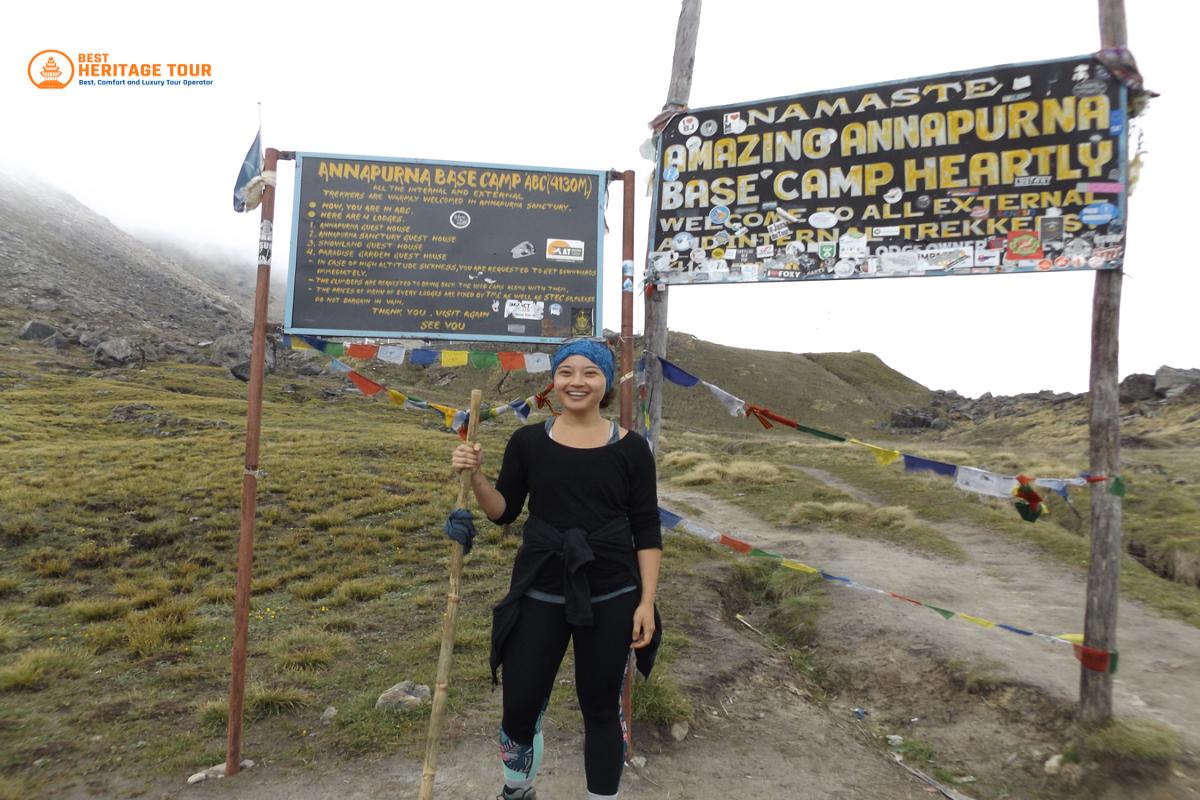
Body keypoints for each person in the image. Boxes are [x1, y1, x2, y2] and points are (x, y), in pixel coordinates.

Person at [451, 338, 663, 800]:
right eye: (567, 371)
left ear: (605, 382)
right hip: (540, 585)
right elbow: (503, 512)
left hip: (611, 591)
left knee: (601, 706)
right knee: (520, 703)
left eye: (590, 372)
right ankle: (518, 789)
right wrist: (479, 476)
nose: (577, 381)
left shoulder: (632, 450)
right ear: (554, 381)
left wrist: (646, 602)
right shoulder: (528, 441)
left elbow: (647, 530)